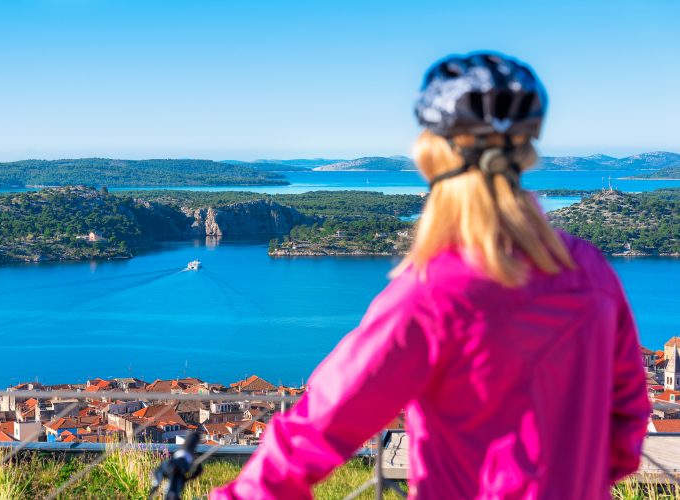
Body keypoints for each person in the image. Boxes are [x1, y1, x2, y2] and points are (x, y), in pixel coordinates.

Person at [212, 52, 651, 499]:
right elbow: (627, 428)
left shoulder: (434, 294)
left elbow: (323, 424)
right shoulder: (589, 270)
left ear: (432, 152)